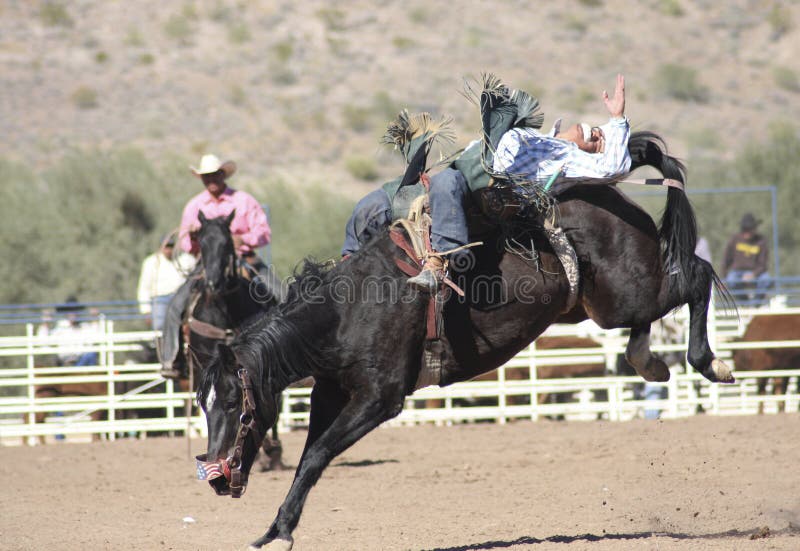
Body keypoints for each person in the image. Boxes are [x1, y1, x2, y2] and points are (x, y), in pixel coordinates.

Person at [406, 74, 631, 292]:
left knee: (445, 181)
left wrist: (618, 119)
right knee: (390, 199)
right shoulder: (538, 136)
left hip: (493, 191)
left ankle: (439, 265)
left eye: (599, 142)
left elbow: (613, 167)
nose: (594, 134)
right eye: (596, 130)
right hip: (467, 171)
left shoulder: (568, 157)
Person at [159, 154, 275, 378]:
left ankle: (290, 354)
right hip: (207, 263)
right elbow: (184, 242)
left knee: (283, 296)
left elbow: (264, 233)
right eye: (206, 176)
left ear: (223, 175)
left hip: (244, 260)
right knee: (175, 307)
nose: (211, 180)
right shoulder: (195, 206)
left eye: (215, 175)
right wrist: (193, 237)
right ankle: (172, 359)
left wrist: (244, 239)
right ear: (202, 178)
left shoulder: (243, 201)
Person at [136, 233, 196, 331]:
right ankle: (161, 345)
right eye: (166, 247)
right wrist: (146, 311)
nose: (169, 250)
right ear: (161, 247)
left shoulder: (186, 260)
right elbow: (144, 287)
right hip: (160, 299)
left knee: (185, 325)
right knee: (159, 326)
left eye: (171, 246)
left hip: (180, 297)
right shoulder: (151, 262)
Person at [722, 212, 770, 300]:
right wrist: (723, 278)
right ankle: (744, 301)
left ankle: (756, 303)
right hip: (737, 272)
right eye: (744, 229)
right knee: (731, 280)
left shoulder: (761, 241)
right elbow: (726, 260)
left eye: (749, 229)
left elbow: (763, 264)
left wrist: (753, 274)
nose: (747, 232)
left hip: (755, 272)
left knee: (765, 279)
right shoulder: (734, 239)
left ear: (754, 229)